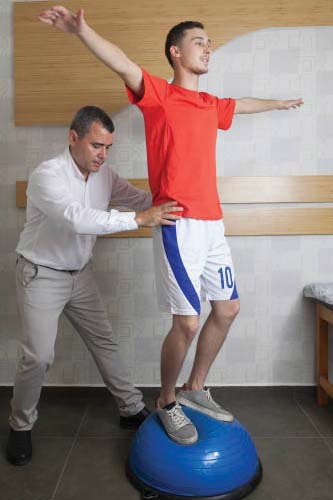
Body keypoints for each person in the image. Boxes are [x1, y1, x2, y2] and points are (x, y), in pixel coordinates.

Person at [38, 7, 304, 445]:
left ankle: (194, 388)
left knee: (228, 309)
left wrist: (279, 103)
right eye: (201, 42)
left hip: (213, 224)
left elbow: (243, 105)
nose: (208, 48)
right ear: (176, 52)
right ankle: (165, 400)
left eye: (210, 42)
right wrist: (82, 30)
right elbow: (121, 60)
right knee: (186, 323)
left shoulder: (210, 104)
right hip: (179, 225)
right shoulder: (159, 95)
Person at [6, 105, 183, 465]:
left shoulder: (105, 175)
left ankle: (130, 408)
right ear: (74, 138)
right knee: (38, 356)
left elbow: (140, 200)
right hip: (41, 274)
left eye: (108, 148)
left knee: (105, 342)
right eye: (96, 146)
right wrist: (139, 219)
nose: (102, 155)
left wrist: (176, 197)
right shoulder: (47, 176)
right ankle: (20, 426)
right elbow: (77, 219)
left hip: (80, 274)